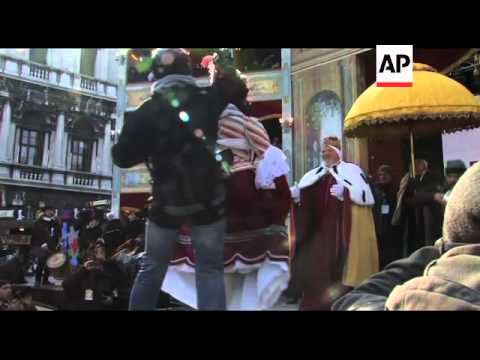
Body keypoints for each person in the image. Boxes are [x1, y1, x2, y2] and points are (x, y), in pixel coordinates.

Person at [161, 54, 292, 310]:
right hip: (239, 184)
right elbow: (267, 153)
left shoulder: (202, 118)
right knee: (248, 261)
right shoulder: (245, 121)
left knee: (214, 263)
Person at [112, 48, 229, 311]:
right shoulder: (208, 99)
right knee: (210, 269)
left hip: (167, 201)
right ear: (187, 71)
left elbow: (122, 157)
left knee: (152, 267)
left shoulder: (147, 110)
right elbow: (231, 87)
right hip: (209, 199)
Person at [333, 162, 480, 311]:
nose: (453, 180)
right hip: (412, 230)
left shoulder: (411, 297)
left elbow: (354, 300)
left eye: (457, 176)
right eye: (450, 176)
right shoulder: (413, 185)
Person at [289, 137, 379, 310]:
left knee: (340, 271)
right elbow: (308, 200)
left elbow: (365, 195)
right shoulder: (314, 174)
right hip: (319, 235)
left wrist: (345, 193)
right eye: (323, 151)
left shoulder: (352, 171)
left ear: (337, 151)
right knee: (316, 273)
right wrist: (299, 196)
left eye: (328, 150)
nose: (324, 153)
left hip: (341, 233)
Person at [392, 159, 443, 255]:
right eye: (412, 165)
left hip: (428, 216)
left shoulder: (433, 178)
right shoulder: (408, 179)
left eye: (417, 165)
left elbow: (429, 193)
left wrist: (425, 196)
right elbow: (405, 197)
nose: (413, 167)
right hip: (412, 217)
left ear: (424, 167)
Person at [62, 240, 129, 310]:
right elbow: (66, 285)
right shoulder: (84, 270)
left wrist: (113, 300)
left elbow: (125, 295)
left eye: (101, 248)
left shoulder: (114, 269)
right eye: (94, 248)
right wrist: (84, 270)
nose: (96, 250)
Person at [372, 165, 402, 269]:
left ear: (390, 175)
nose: (382, 177)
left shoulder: (396, 189)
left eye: (385, 174)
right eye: (380, 174)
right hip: (378, 224)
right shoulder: (374, 189)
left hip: (392, 225)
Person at [30, 205, 61, 286]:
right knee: (41, 264)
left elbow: (57, 234)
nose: (51, 212)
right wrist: (42, 244)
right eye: (49, 210)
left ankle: (45, 280)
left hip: (51, 246)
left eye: (52, 210)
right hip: (41, 246)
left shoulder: (55, 222)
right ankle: (37, 281)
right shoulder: (39, 222)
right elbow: (36, 234)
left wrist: (55, 244)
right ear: (45, 212)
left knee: (49, 264)